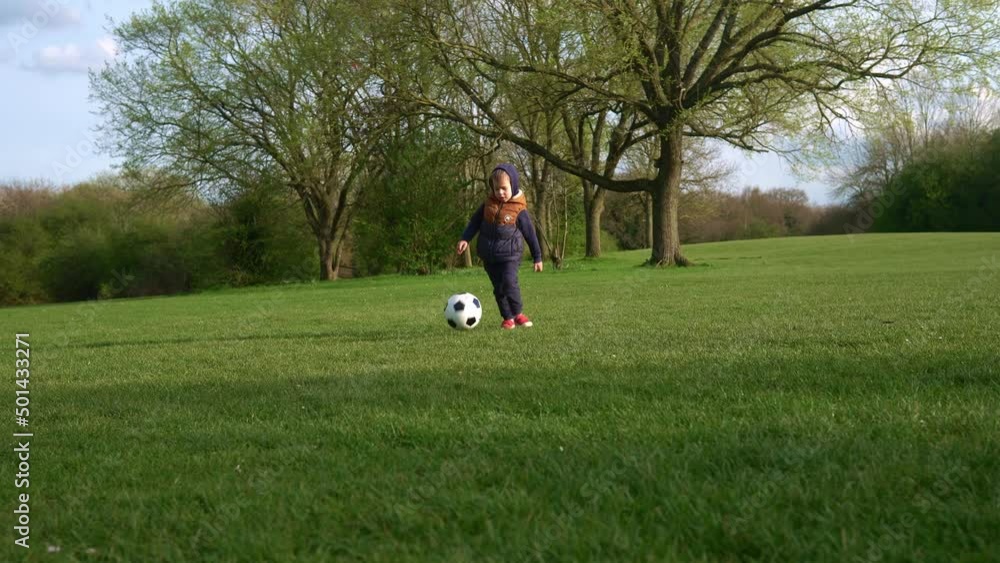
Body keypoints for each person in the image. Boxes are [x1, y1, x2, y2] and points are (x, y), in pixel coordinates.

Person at [456, 163, 543, 330]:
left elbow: (530, 234)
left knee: (509, 282)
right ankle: (507, 318)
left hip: (510, 255)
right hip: (489, 256)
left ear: (513, 185)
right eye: (497, 189)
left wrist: (537, 257)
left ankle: (518, 314)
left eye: (504, 188)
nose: (500, 192)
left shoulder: (519, 209)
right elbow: (474, 222)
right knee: (499, 288)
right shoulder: (488, 204)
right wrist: (465, 239)